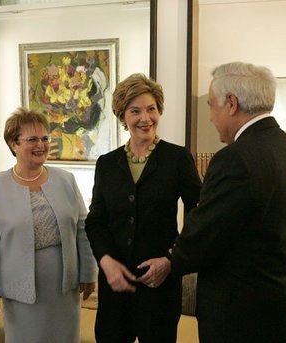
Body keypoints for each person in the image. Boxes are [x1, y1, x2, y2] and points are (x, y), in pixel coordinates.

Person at [172, 62, 286, 342]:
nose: (210, 117)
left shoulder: (234, 159)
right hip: (280, 306)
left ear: (231, 103)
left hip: (241, 316)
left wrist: (171, 260)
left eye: (212, 105)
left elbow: (205, 235)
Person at [85, 73, 201, 343]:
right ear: (122, 115)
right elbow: (95, 221)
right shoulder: (107, 164)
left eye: (151, 109)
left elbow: (200, 213)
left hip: (159, 285)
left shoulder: (178, 158)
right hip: (115, 287)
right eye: (135, 111)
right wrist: (105, 261)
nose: (145, 118)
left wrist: (172, 260)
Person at [0, 107, 97, 343]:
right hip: (20, 290)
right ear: (14, 144)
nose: (41, 144)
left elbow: (83, 229)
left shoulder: (66, 179)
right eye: (32, 139)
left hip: (64, 287)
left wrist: (89, 273)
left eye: (45, 138)